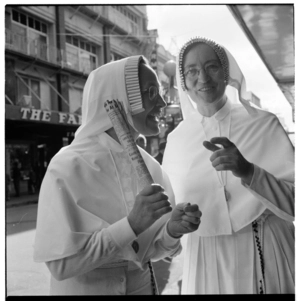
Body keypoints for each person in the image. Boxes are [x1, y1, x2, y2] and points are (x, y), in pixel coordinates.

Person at [33, 55, 201, 295]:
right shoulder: (68, 166)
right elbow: (61, 265)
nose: (163, 103)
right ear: (118, 98)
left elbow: (156, 250)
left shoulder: (152, 167)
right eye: (151, 92)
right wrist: (131, 225)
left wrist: (172, 230)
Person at [162, 37, 294, 294]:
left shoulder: (263, 123)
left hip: (266, 249)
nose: (202, 78)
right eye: (191, 71)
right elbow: (168, 226)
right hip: (205, 263)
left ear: (226, 73)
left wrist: (249, 171)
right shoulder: (176, 140)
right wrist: (175, 224)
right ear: (184, 83)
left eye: (211, 66)